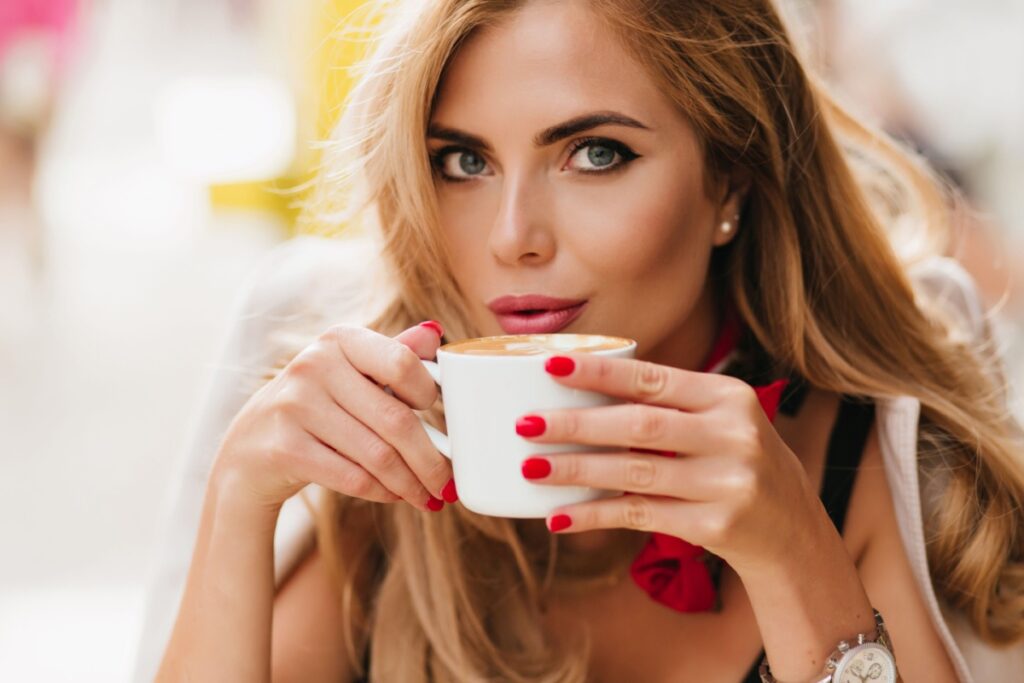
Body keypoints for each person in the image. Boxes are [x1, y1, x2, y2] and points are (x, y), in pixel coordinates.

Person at [154, 1, 1024, 681]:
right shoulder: (382, 444)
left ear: (730, 178)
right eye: (464, 162)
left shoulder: (880, 449)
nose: (512, 236)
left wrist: (797, 554)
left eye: (595, 154)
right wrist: (239, 499)